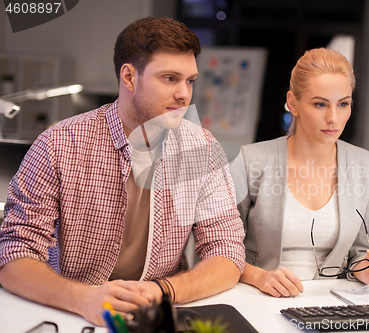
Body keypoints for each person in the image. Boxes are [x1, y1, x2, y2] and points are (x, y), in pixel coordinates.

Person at [0, 17, 245, 326]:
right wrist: (82, 298)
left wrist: (162, 290)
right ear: (129, 77)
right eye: (170, 78)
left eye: (190, 80)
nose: (184, 94)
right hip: (71, 312)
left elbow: (227, 251)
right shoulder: (58, 144)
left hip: (157, 313)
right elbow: (13, 255)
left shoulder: (202, 148)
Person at [230, 48, 369, 298]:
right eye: (320, 104)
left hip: (330, 303)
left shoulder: (366, 166)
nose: (333, 118)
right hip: (258, 298)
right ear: (293, 103)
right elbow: (215, 250)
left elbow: (360, 253)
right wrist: (259, 277)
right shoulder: (251, 161)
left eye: (343, 104)